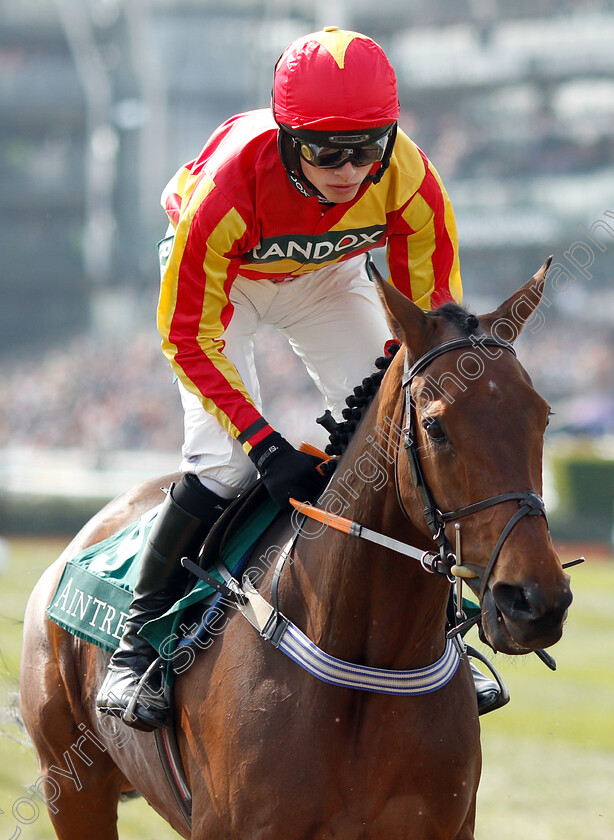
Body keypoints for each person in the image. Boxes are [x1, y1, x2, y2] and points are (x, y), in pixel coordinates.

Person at [96, 26, 503, 730]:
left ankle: (438, 623)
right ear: (286, 139)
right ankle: (137, 643)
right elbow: (187, 337)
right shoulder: (224, 192)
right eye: (324, 151)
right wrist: (264, 447)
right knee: (222, 466)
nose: (348, 171)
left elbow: (431, 334)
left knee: (397, 437)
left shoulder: (413, 183)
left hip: (323, 279)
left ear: (392, 136)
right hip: (227, 290)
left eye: (368, 148)